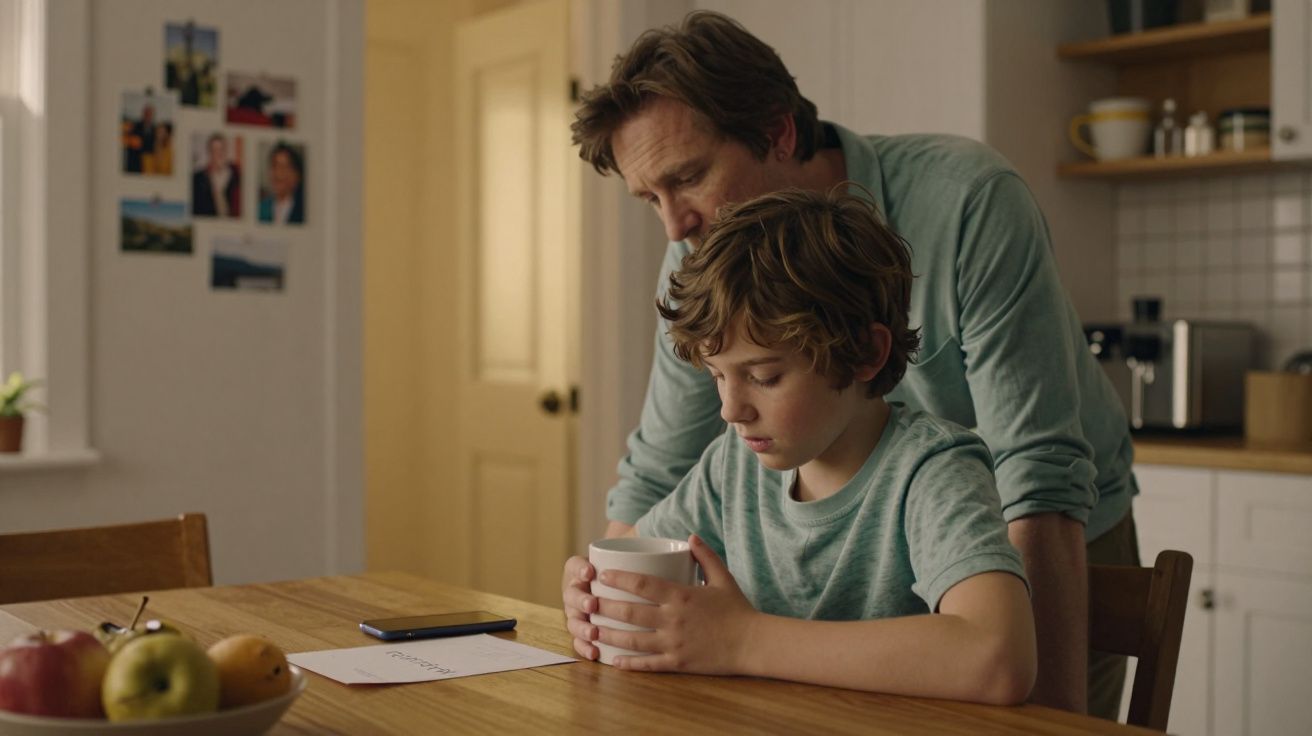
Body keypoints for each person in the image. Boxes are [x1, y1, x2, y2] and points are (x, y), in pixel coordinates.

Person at [561, 10, 1139, 719]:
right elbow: (658, 466)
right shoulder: (701, 258)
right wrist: (605, 588)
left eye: (689, 177)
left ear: (778, 132)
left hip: (1036, 533)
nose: (674, 226)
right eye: (651, 197)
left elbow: (1036, 470)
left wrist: (1048, 711)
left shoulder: (966, 202)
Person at [568, 186, 1037, 702]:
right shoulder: (734, 464)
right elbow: (638, 552)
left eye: (765, 376)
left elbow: (998, 658)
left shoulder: (932, 470)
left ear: (865, 354)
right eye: (718, 376)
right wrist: (595, 596)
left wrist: (743, 640)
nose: (731, 410)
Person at [191, 133, 240, 217]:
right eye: (214, 151)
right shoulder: (198, 178)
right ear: (209, 153)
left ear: (226, 151)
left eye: (222, 149)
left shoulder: (237, 174)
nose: (219, 154)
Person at [258, 143, 305, 225]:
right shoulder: (261, 209)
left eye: (283, 167)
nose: (277, 174)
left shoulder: (303, 210)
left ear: (296, 175)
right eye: (274, 166)